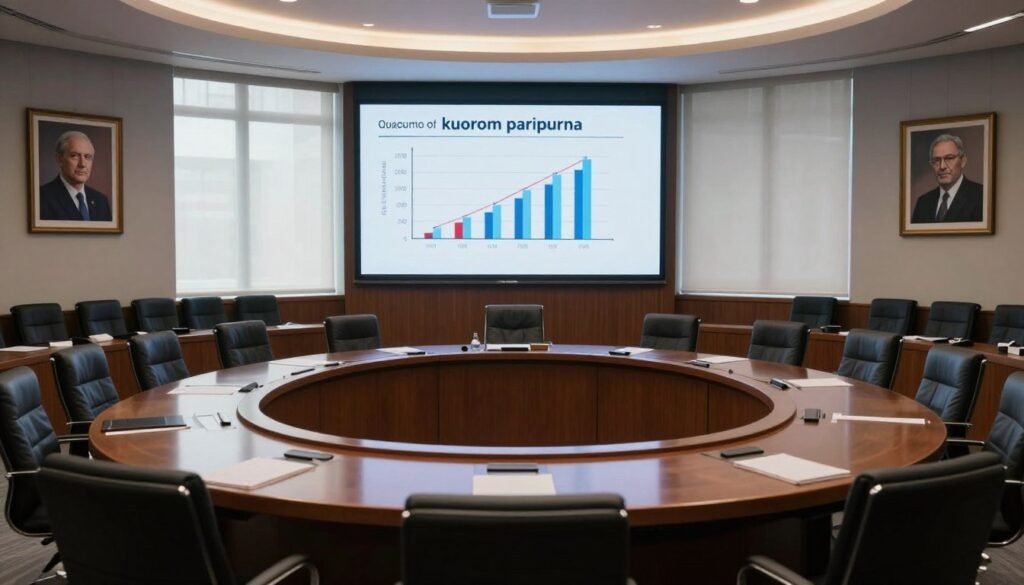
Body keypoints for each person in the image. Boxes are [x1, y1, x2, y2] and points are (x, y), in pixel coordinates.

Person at [39, 130, 112, 221]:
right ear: (59, 159)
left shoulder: (101, 201)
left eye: (87, 157)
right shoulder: (42, 198)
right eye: (74, 156)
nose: (82, 164)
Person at [910, 133, 982, 224]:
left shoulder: (981, 195)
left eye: (949, 158)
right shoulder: (923, 202)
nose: (942, 166)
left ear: (963, 161)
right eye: (936, 160)